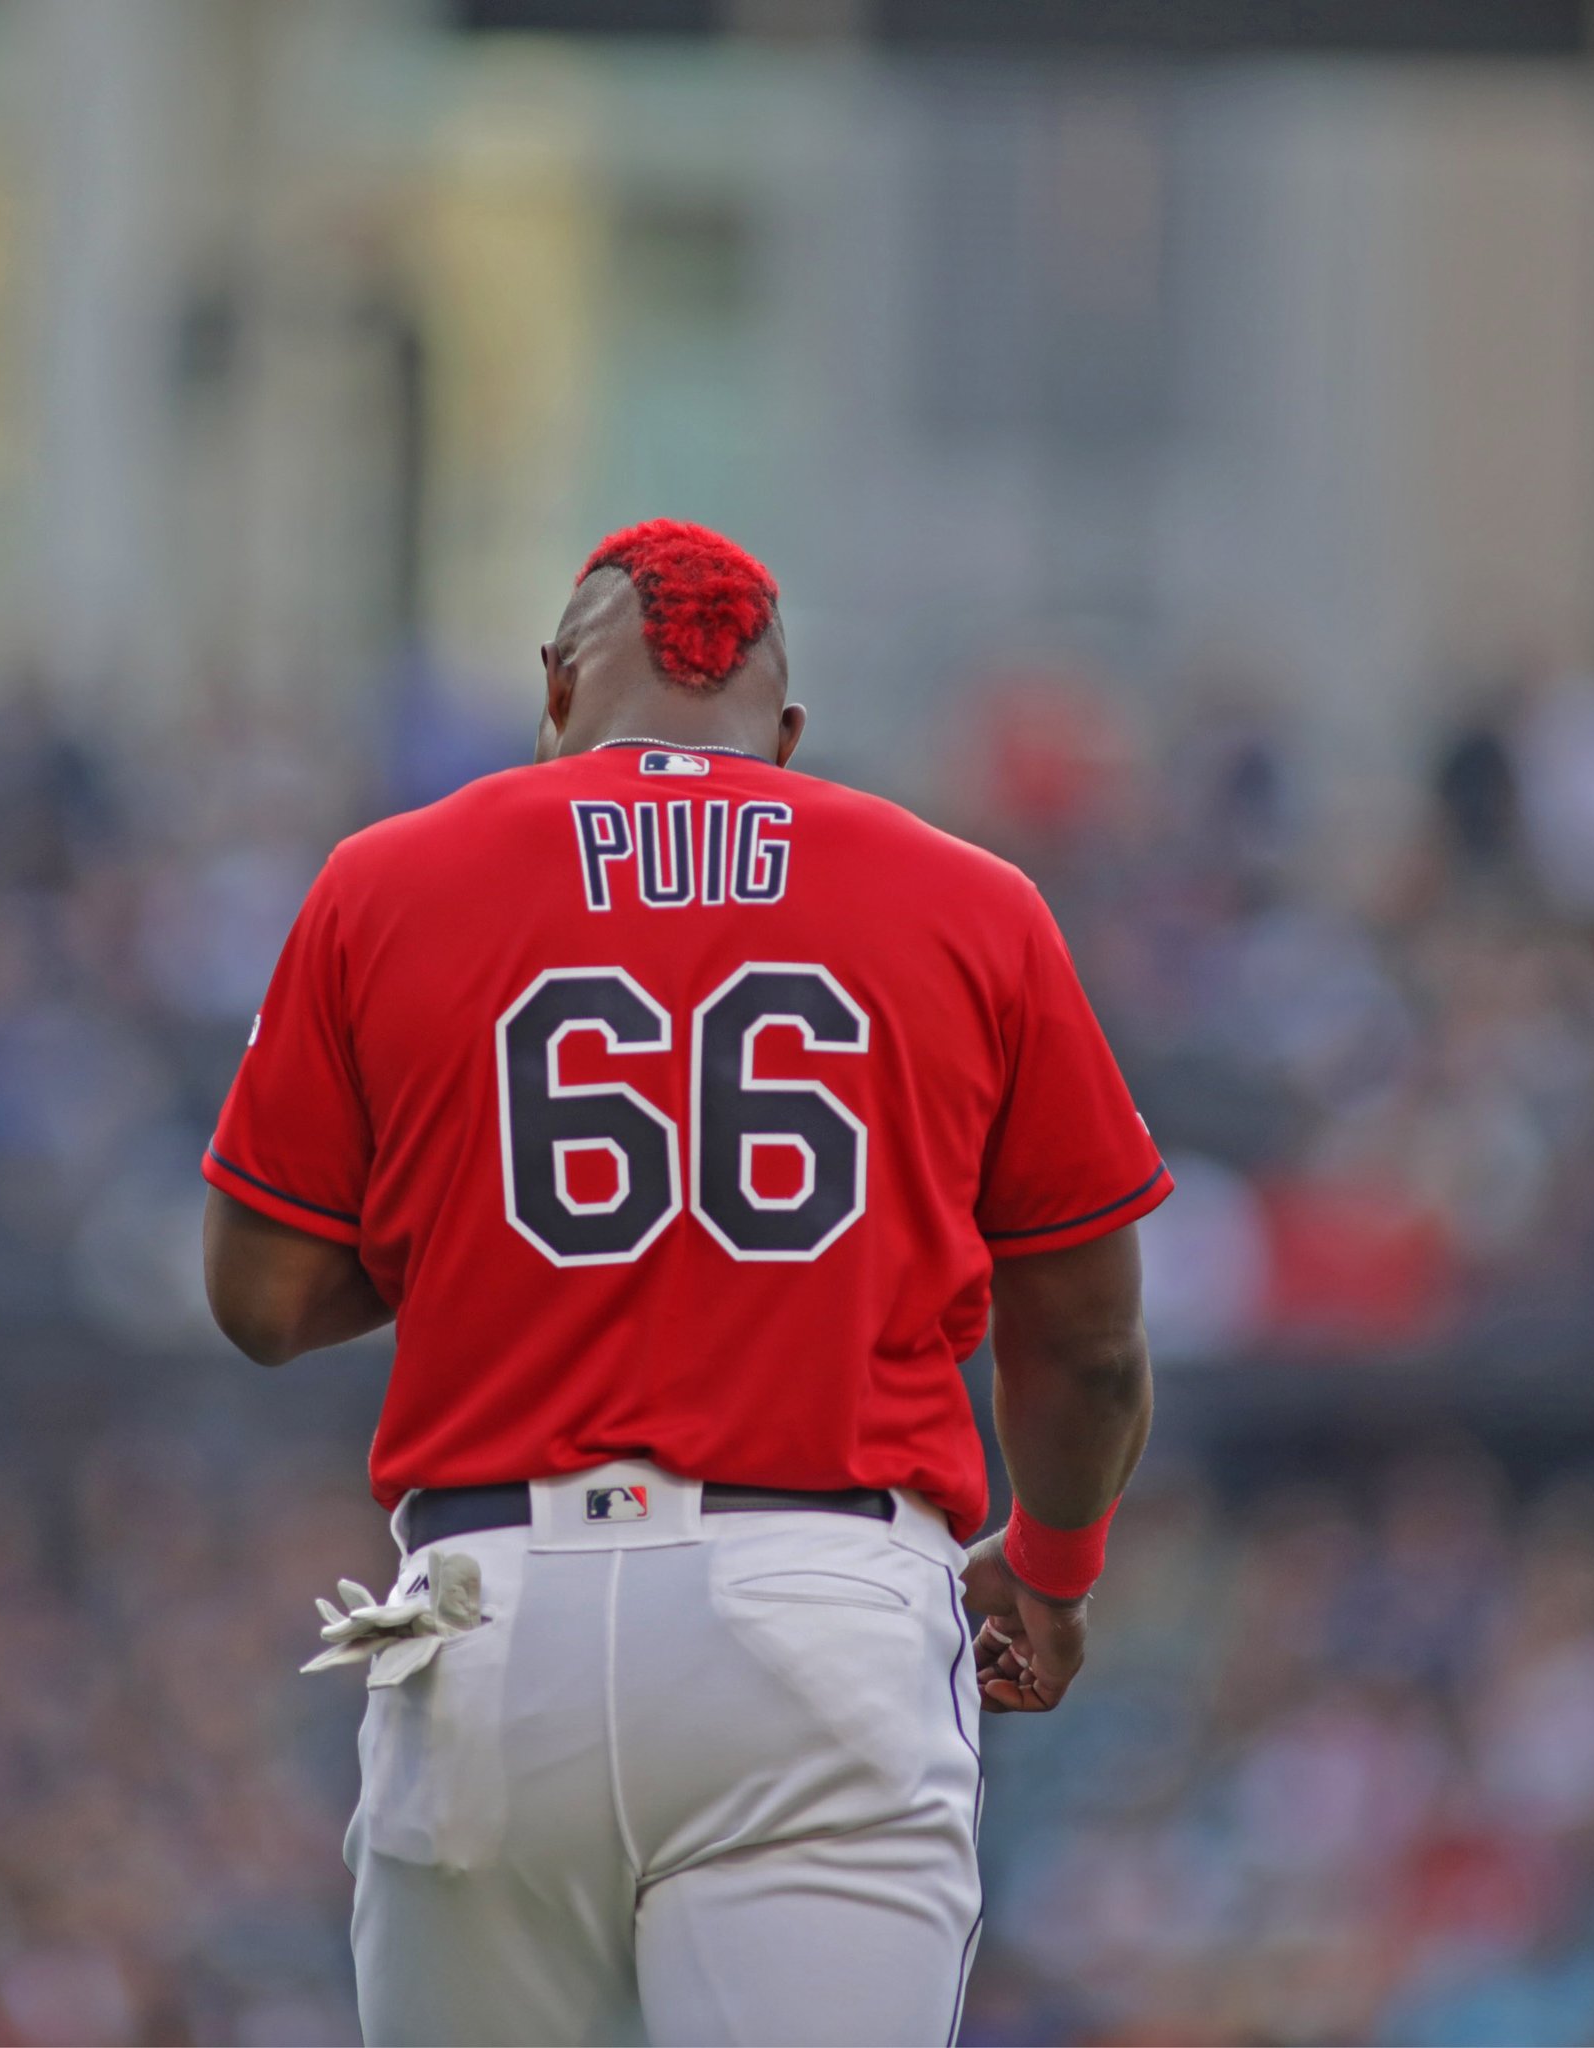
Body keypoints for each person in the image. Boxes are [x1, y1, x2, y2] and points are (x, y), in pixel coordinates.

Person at [201, 520, 1170, 2047]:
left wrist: (472, 1225)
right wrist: (1050, 1573)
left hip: (486, 1608)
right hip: (820, 1605)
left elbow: (257, 1299)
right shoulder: (972, 902)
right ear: (784, 735)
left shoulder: (387, 879)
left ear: (555, 691)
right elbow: (1092, 1349)